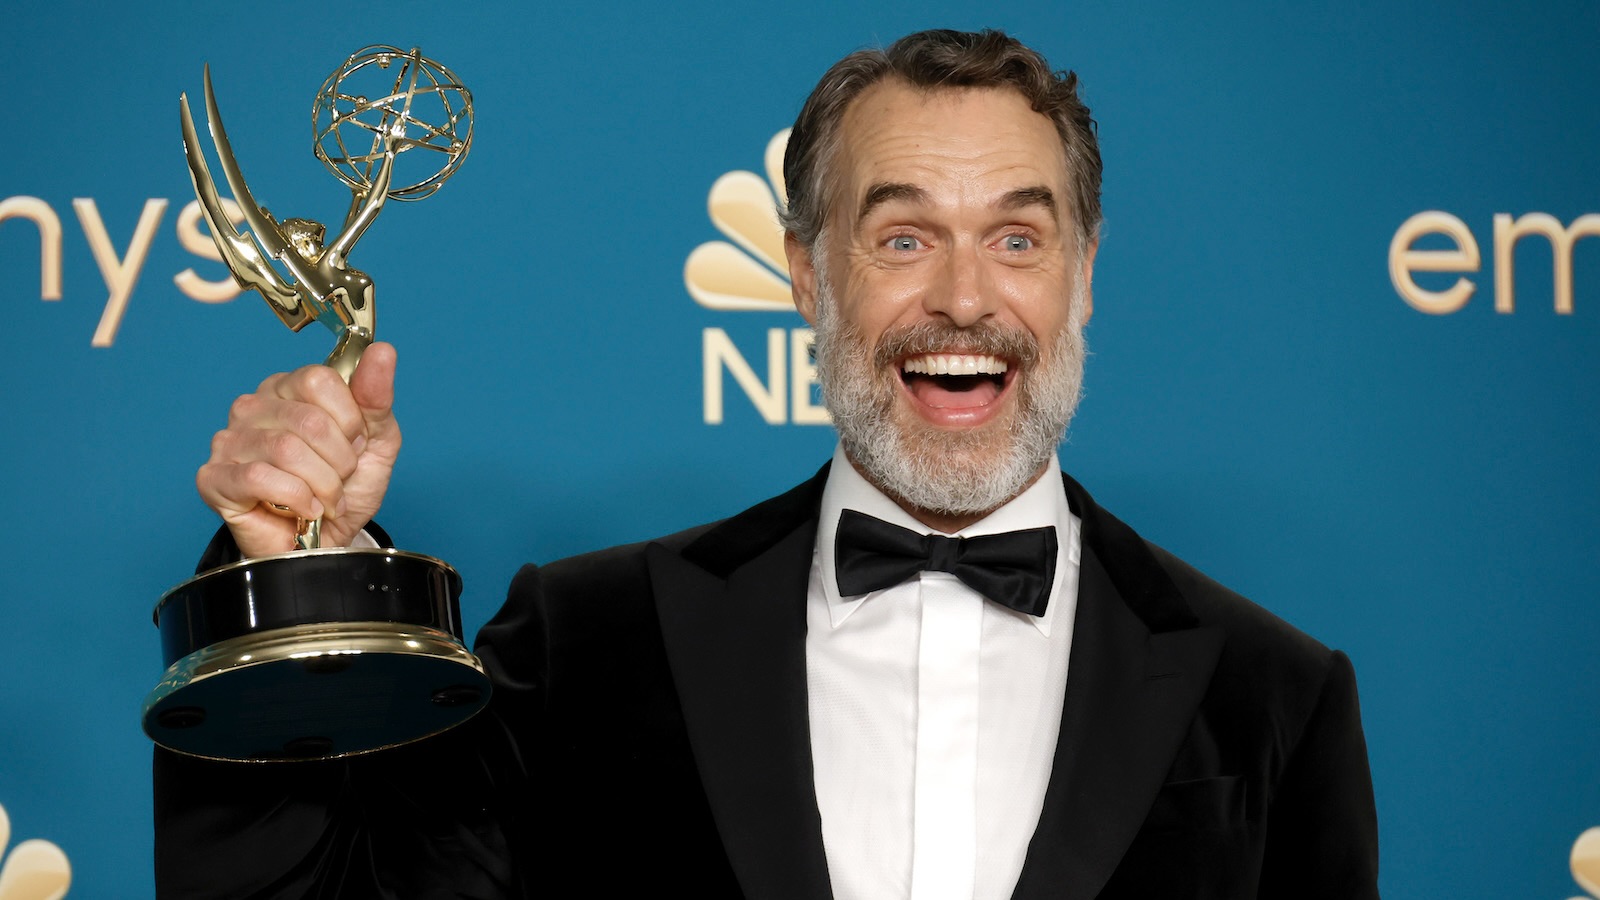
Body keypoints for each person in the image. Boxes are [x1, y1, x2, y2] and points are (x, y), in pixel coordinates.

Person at [155, 28, 1380, 900]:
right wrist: (299, 575)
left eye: (1016, 236)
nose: (964, 297)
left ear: (1083, 275)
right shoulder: (581, 643)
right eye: (901, 236)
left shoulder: (1274, 698)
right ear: (805, 276)